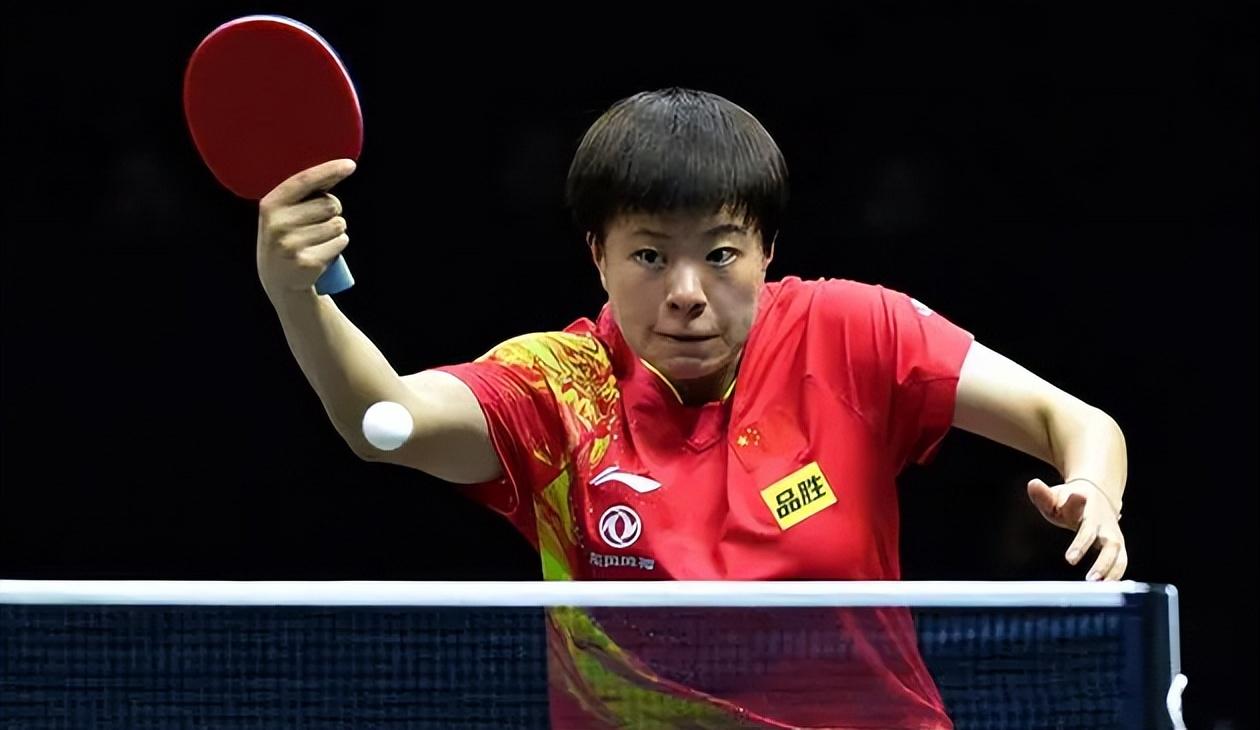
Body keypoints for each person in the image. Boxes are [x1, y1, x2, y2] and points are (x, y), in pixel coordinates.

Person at [256, 88, 1128, 729]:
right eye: (648, 255)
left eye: (719, 253)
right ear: (597, 255)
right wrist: (297, 294)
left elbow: (1075, 421)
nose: (686, 293)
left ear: (766, 250)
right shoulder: (557, 391)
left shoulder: (851, 332)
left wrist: (1092, 487)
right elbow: (386, 421)